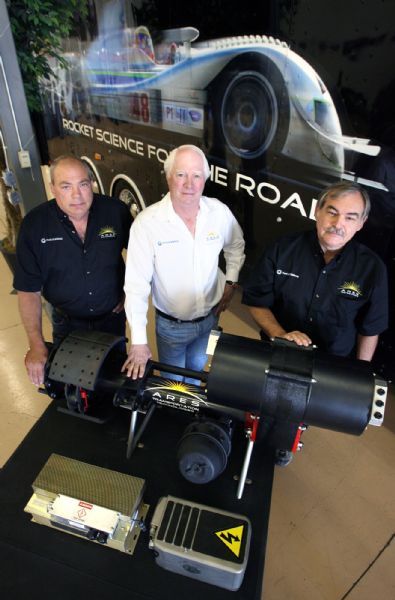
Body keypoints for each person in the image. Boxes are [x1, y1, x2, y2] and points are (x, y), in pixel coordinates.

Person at [242, 181, 388, 464]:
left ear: (361, 224)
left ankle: (289, 438)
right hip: (279, 353)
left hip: (330, 363)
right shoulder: (283, 248)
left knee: (302, 412)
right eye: (332, 212)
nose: (338, 224)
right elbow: (256, 300)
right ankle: (265, 436)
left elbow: (371, 329)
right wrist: (280, 334)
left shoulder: (372, 269)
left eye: (350, 217)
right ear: (317, 211)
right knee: (269, 404)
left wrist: (359, 376)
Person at [122, 144, 245, 382]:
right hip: (172, 328)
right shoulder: (147, 224)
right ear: (169, 177)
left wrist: (231, 281)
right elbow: (136, 286)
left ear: (205, 179)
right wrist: (138, 341)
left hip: (210, 318)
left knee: (197, 371)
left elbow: (236, 246)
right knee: (173, 383)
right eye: (181, 175)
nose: (189, 184)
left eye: (196, 175)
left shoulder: (218, 213)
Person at [14, 155, 132, 387]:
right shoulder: (34, 226)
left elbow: (142, 259)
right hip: (67, 324)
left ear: (91, 183)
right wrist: (36, 344)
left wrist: (130, 291)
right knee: (73, 388)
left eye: (83, 184)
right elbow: (28, 292)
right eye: (66, 186)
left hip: (112, 320)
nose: (77, 195)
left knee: (114, 384)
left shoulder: (115, 212)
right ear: (53, 189)